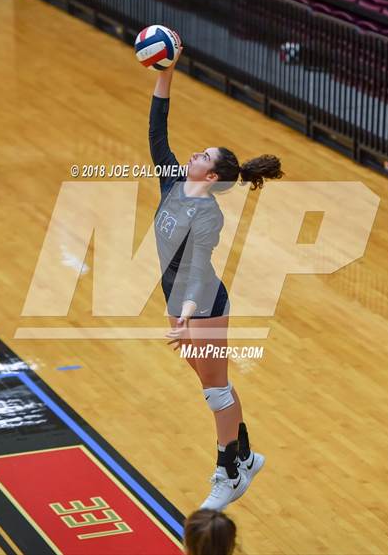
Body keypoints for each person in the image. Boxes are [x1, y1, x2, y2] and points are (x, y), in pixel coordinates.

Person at [149, 39, 283, 510]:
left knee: (215, 389)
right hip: (177, 297)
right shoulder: (172, 179)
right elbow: (157, 131)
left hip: (200, 300)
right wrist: (165, 70)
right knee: (211, 382)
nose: (193, 155)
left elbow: (196, 267)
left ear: (212, 177)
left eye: (203, 156)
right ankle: (245, 452)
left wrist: (185, 315)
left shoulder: (207, 216)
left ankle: (229, 471)